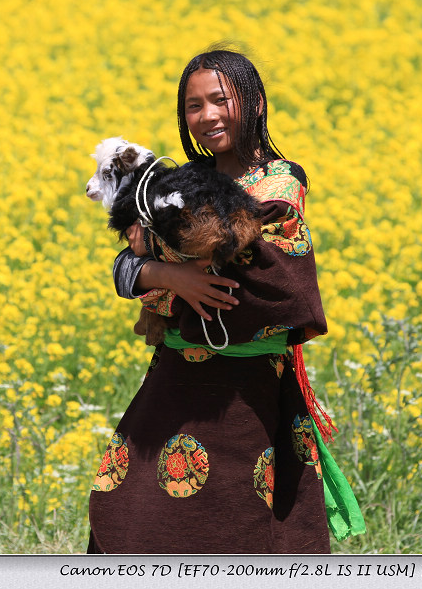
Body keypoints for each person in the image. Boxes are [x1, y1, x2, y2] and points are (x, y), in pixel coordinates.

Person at [87, 47, 363, 554]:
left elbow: (267, 274)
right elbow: (123, 267)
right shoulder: (180, 186)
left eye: (220, 100)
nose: (207, 116)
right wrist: (173, 274)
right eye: (194, 106)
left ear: (255, 103)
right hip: (174, 385)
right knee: (132, 514)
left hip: (249, 397)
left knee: (242, 532)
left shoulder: (281, 184)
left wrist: (157, 256)